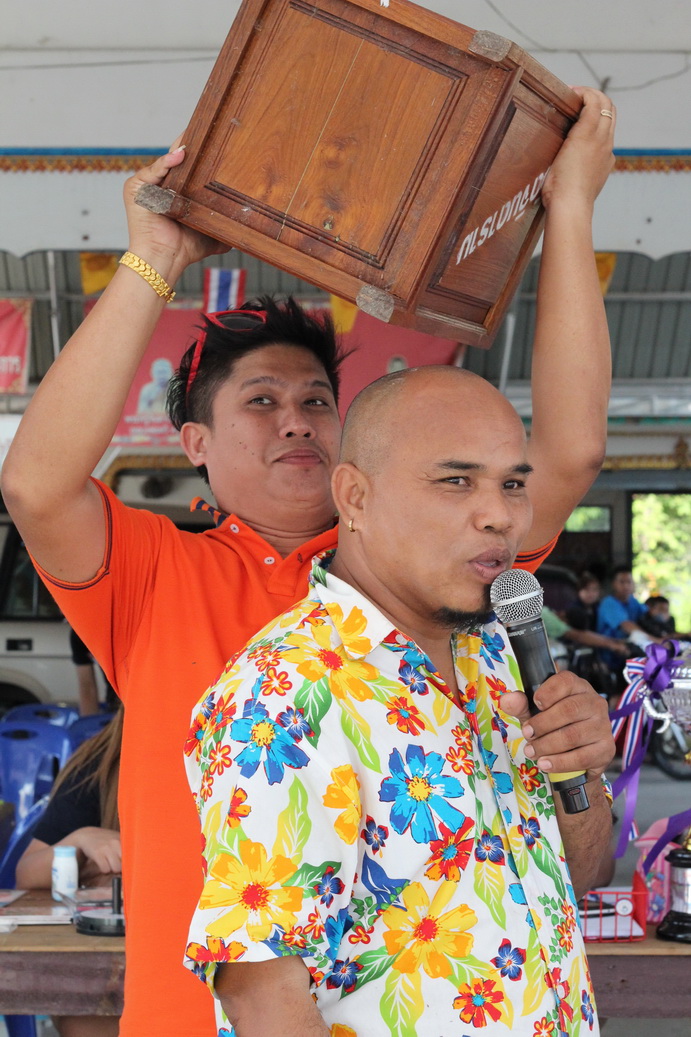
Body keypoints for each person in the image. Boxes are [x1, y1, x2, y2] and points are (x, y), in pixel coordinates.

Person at [1, 85, 615, 1037]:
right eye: (260, 401)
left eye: (316, 401)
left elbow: (566, 454)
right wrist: (152, 261)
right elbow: (37, 484)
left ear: (355, 472)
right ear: (195, 445)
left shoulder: (425, 559)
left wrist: (569, 209)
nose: (295, 419)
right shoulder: (156, 572)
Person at [184, 366, 615, 1036]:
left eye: (512, 483)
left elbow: (576, 877)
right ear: (354, 496)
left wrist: (577, 771)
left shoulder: (498, 652)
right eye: (456, 480)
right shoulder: (285, 692)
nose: (500, 515)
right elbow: (262, 995)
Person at [16, 708, 123, 1037]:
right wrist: (80, 840)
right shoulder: (100, 763)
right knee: (84, 1022)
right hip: (106, 970)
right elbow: (26, 873)